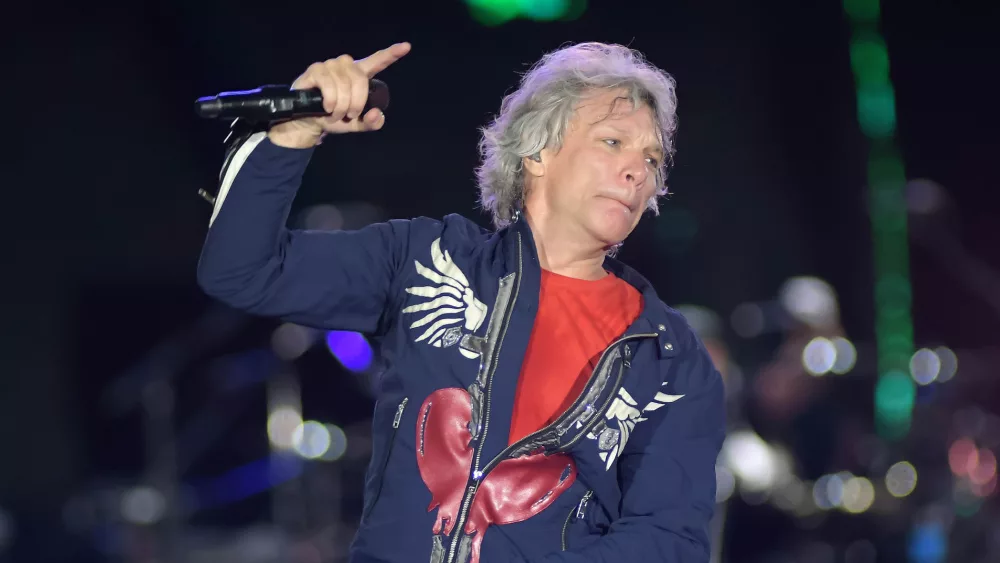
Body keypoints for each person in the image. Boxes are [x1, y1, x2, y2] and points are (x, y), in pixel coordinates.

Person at [197, 41, 725, 563]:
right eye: (612, 142)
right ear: (537, 151)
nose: (638, 171)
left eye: (651, 158)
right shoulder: (426, 258)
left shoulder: (668, 356)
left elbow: (669, 539)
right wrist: (293, 134)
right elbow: (243, 270)